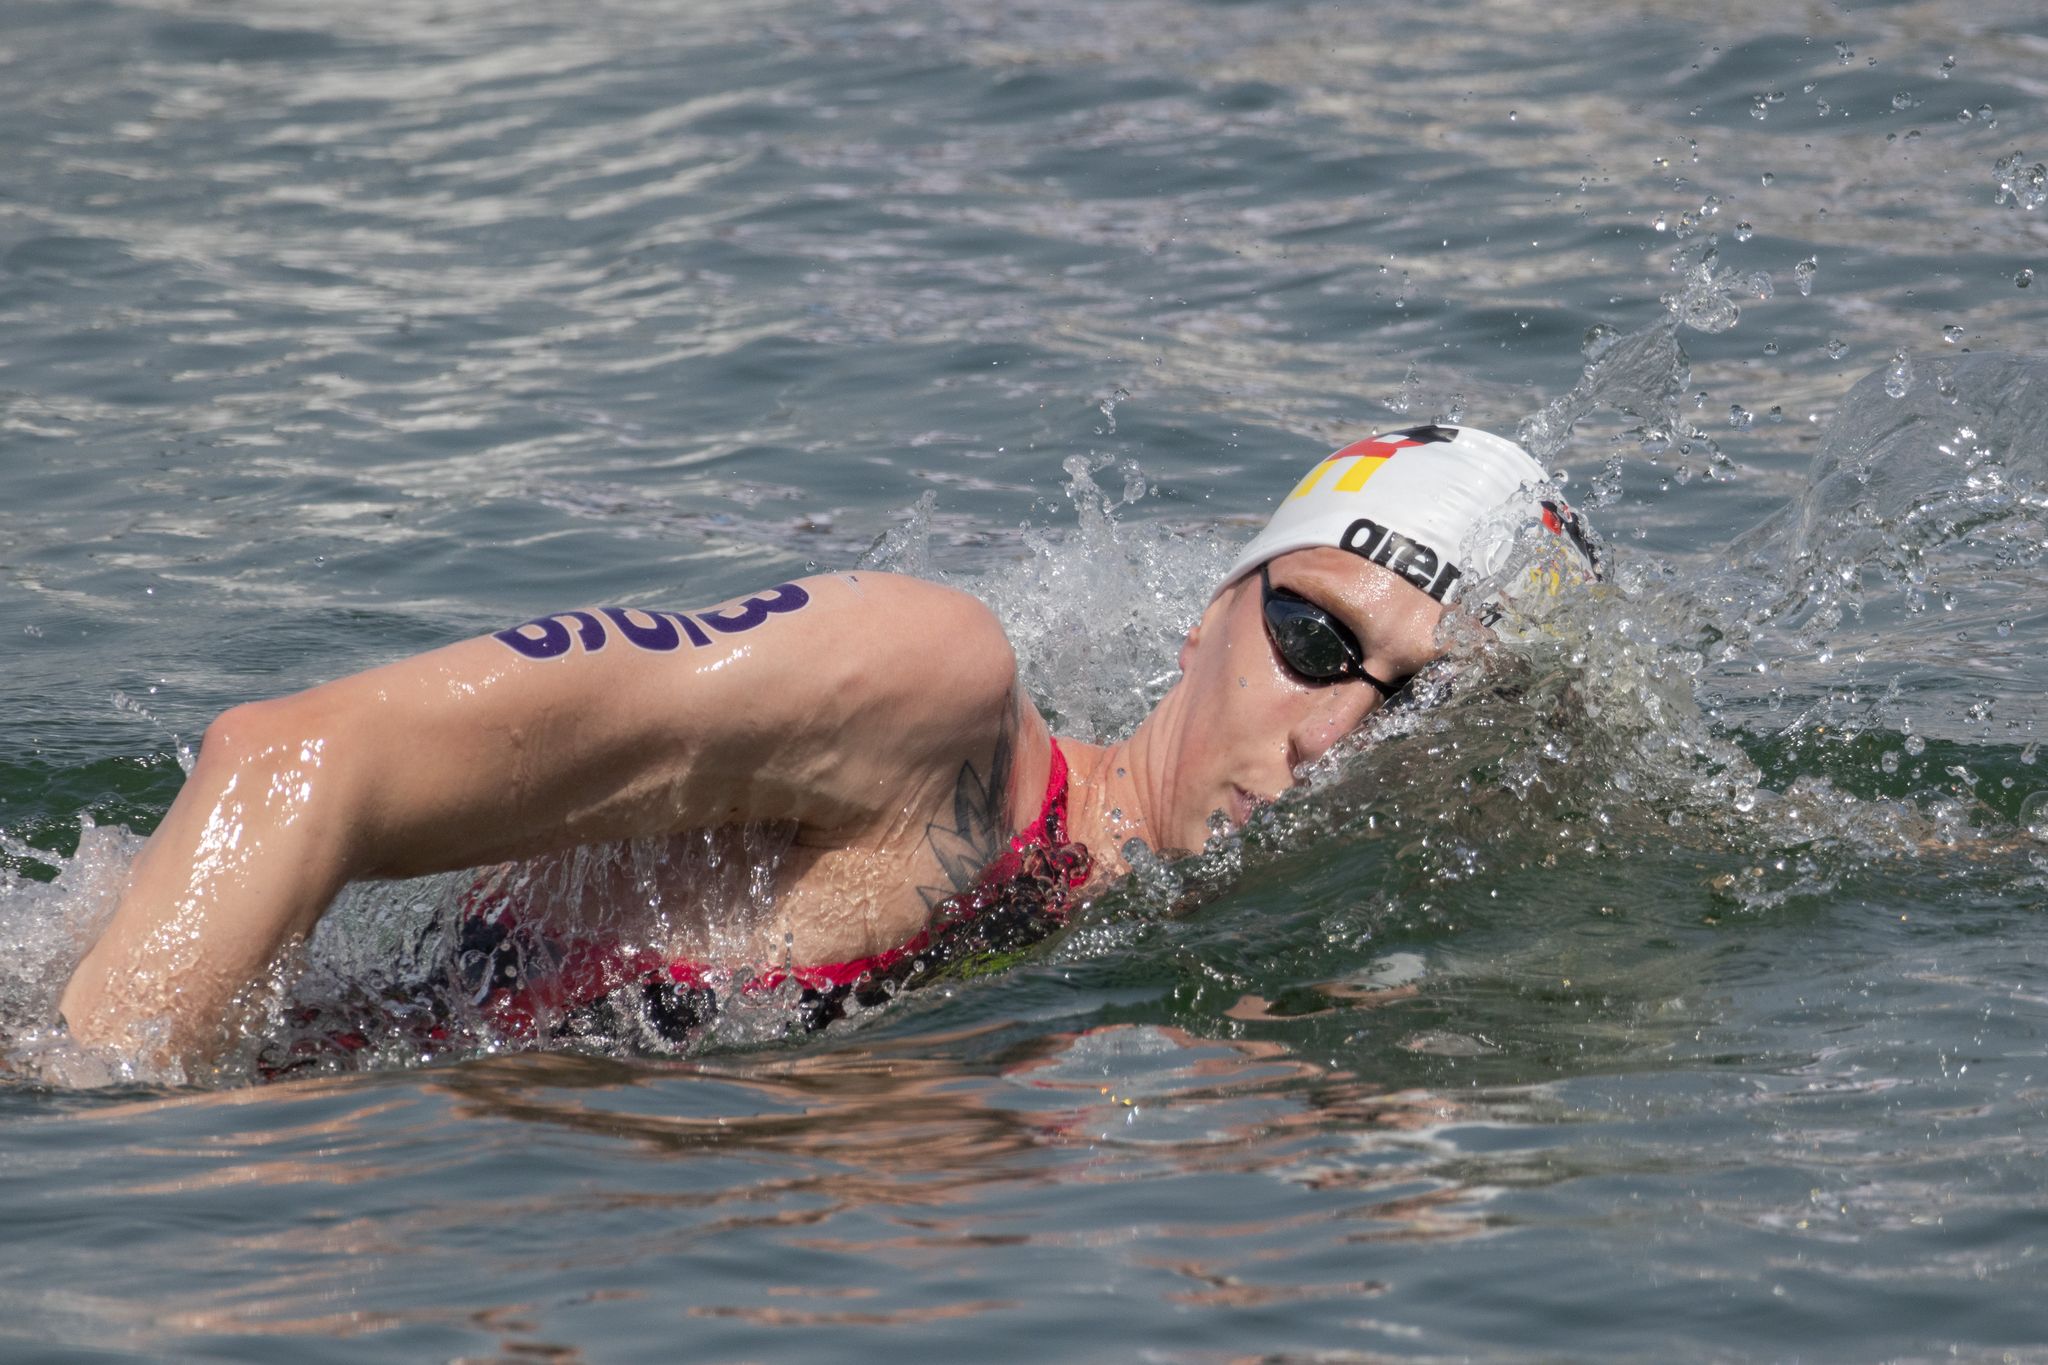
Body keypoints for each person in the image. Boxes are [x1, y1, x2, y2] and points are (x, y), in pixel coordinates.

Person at [56, 424, 1600, 1066]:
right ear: (1214, 609)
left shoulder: (1159, 1002)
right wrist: (137, 1185)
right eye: (1317, 638)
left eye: (1419, 706)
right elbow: (288, 764)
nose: (1332, 730)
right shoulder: (934, 699)